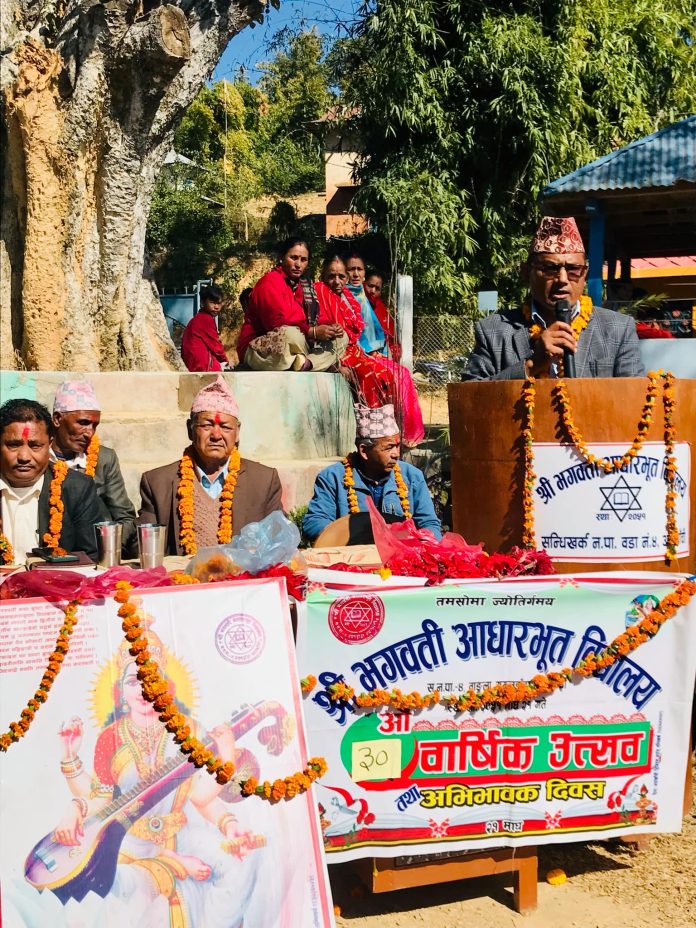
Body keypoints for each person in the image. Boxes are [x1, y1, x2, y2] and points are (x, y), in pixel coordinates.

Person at [464, 217, 645, 380]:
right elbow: (468, 398)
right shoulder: (493, 331)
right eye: (550, 268)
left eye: (573, 269)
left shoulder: (618, 329)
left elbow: (634, 398)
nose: (562, 279)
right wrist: (531, 365)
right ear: (526, 273)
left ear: (584, 274)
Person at [138, 376, 283, 556]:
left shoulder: (264, 481)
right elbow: (144, 548)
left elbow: (279, 543)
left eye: (225, 427)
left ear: (237, 432)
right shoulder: (157, 483)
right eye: (206, 425)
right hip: (183, 574)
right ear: (190, 429)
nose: (216, 435)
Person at [322, 256, 425, 446]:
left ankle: (402, 432)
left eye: (358, 270)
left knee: (401, 374)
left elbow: (379, 332)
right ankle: (376, 435)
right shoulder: (323, 293)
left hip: (363, 352)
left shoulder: (354, 298)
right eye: (351, 270)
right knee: (378, 375)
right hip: (345, 352)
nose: (354, 275)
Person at [303, 403, 441, 545]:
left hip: (401, 553)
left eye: (397, 446)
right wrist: (347, 534)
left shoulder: (412, 476)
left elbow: (429, 523)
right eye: (389, 448)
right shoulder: (332, 477)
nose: (396, 454)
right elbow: (314, 523)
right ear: (364, 450)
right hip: (352, 555)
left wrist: (422, 540)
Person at [0, 399, 102, 563]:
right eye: (14, 445)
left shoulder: (77, 488)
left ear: (50, 444)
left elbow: (89, 558)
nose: (24, 457)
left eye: (35, 446)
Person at [51, 380, 136, 553]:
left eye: (94, 425)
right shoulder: (36, 459)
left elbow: (125, 517)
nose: (89, 432)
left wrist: (106, 550)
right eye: (83, 423)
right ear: (58, 419)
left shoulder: (104, 459)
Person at [238, 238, 348, 372]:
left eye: (303, 260)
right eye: (293, 258)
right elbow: (275, 324)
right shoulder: (269, 282)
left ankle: (307, 364)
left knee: (341, 338)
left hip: (301, 343)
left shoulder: (305, 286)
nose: (298, 264)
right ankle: (317, 364)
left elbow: (320, 318)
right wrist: (313, 332)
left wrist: (331, 328)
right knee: (292, 334)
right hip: (262, 347)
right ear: (281, 258)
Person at [181, 285, 233, 373]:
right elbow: (216, 347)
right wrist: (226, 362)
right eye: (212, 302)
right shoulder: (205, 319)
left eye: (219, 303)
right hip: (203, 367)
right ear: (202, 303)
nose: (216, 307)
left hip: (192, 366)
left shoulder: (197, 318)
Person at [364, 269, 401, 361]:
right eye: (370, 286)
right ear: (363, 283)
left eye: (377, 288)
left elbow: (395, 344)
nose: (373, 291)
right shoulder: (354, 305)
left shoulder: (383, 313)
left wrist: (387, 355)